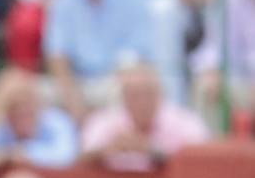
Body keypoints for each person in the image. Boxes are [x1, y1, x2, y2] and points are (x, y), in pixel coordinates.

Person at [44, 0, 154, 121]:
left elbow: (137, 55)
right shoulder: (63, 3)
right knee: (24, 93)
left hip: (115, 80)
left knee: (131, 90)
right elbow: (57, 57)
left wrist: (119, 80)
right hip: (74, 82)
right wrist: (72, 99)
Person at [80, 62, 208, 170]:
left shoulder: (185, 121)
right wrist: (107, 150)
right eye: (134, 95)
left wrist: (156, 152)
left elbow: (202, 163)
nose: (142, 102)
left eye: (148, 94)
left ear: (160, 94)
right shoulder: (104, 121)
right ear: (123, 97)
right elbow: (77, 162)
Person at [191, 0, 255, 119]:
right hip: (240, 81)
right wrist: (212, 69)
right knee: (206, 87)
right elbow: (214, 45)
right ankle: (208, 147)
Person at [0, 66, 78, 174]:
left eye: (27, 102)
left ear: (38, 101)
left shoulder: (56, 120)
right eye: (14, 105)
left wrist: (17, 154)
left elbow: (66, 156)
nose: (22, 110)